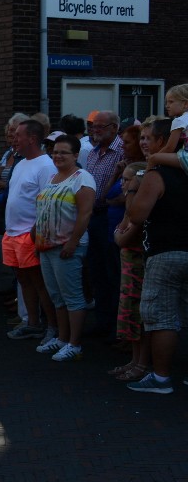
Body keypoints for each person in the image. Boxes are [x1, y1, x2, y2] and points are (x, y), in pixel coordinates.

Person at [125, 138, 188, 394]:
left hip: (166, 251)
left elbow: (137, 214)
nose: (146, 144)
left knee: (161, 316)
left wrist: (133, 190)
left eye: (151, 138)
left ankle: (161, 378)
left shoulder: (158, 174)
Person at [32, 135, 95, 361]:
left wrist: (73, 241)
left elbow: (85, 213)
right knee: (57, 296)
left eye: (63, 152)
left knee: (73, 296)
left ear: (76, 155)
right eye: (55, 152)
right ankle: (61, 338)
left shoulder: (82, 178)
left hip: (67, 247)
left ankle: (74, 344)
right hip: (47, 246)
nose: (57, 156)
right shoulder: (53, 177)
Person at [2, 119, 58, 345]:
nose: (14, 138)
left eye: (17, 135)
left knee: (39, 282)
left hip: (29, 233)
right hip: (12, 232)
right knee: (24, 280)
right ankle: (32, 323)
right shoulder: (21, 163)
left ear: (32, 139)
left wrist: (36, 232)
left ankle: (52, 327)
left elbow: (48, 202)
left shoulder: (46, 166)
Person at [83, 110, 124, 340]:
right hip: (93, 216)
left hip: (111, 215)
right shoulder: (92, 153)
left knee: (112, 271)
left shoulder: (123, 150)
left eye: (100, 126)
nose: (94, 131)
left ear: (114, 128)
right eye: (92, 126)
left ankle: (117, 327)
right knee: (96, 270)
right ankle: (103, 321)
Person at [110, 165, 150, 381]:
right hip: (129, 269)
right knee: (130, 316)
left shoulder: (139, 208)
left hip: (139, 269)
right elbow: (121, 228)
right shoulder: (129, 207)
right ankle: (134, 360)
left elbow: (123, 236)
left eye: (127, 180)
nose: (122, 184)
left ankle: (141, 363)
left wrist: (119, 232)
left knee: (139, 317)